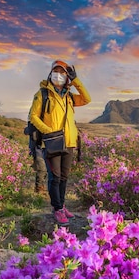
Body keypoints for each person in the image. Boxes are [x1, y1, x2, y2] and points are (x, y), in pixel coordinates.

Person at [29, 60, 91, 225]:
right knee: (54, 177)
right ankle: (57, 209)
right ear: (50, 74)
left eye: (63, 72)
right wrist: (47, 130)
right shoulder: (43, 94)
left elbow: (87, 99)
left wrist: (76, 81)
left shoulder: (69, 96)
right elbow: (33, 116)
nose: (59, 75)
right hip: (52, 141)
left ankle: (62, 206)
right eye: (56, 71)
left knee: (64, 177)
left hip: (69, 142)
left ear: (67, 77)